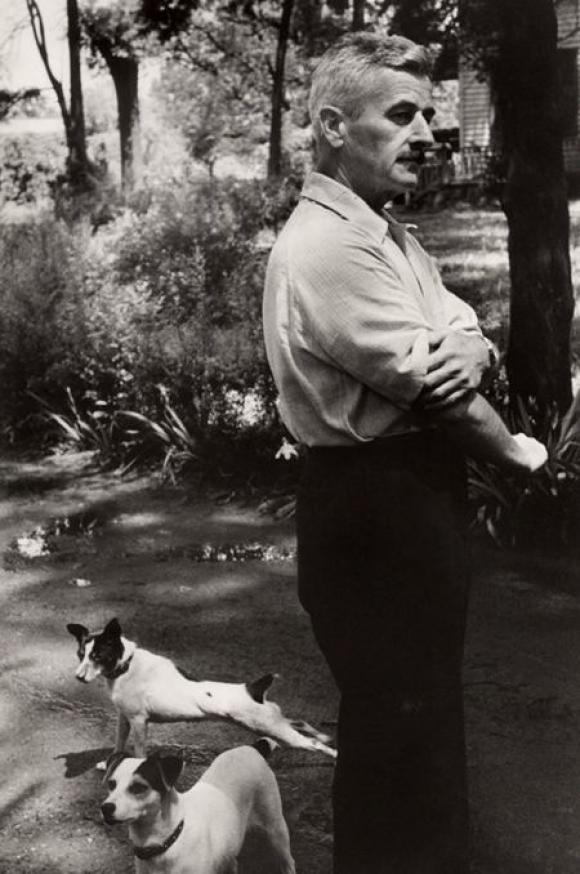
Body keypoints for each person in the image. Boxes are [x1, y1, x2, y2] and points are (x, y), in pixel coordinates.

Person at [262, 32, 547, 874]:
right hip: (372, 508)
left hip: (409, 502)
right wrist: (524, 454)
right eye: (401, 114)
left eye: (429, 114)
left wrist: (473, 345)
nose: (428, 132)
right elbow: (443, 392)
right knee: (398, 737)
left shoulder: (387, 236)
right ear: (333, 127)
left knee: (419, 730)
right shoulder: (330, 247)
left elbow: (458, 324)